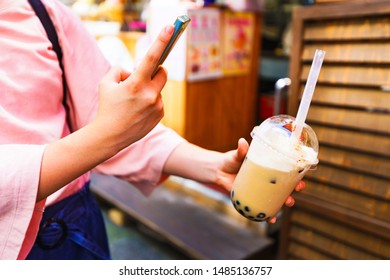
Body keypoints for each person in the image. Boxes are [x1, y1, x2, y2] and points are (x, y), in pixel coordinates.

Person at [0, 0, 305, 260]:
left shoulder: (44, 14)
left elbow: (106, 121)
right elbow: (106, 132)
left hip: (72, 222)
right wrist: (106, 135)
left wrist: (213, 166)